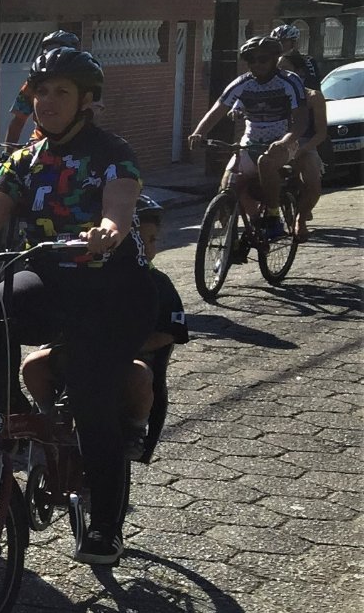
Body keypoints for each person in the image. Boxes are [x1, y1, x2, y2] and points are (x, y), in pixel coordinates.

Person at [0, 44, 153, 565]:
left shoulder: (112, 151)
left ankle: (106, 527)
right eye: (40, 91)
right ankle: (16, 417)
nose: (47, 101)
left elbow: (119, 205)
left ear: (86, 100)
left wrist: (107, 232)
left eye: (61, 92)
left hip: (109, 288)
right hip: (48, 276)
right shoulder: (25, 157)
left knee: (94, 404)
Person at [18, 195, 186, 462]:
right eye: (139, 240)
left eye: (152, 240)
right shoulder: (83, 276)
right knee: (33, 365)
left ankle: (135, 428)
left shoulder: (157, 282)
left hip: (125, 361)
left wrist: (123, 344)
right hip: (77, 354)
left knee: (140, 375)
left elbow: (169, 331)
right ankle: (49, 418)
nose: (146, 248)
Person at [189, 35, 301, 239]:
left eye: (262, 59)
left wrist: (284, 142)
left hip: (284, 142)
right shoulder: (242, 83)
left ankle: (274, 217)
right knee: (229, 182)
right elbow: (217, 110)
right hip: (250, 142)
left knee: (265, 162)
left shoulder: (289, 82)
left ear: (275, 59)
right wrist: (199, 132)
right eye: (251, 60)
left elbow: (301, 122)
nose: (256, 64)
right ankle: (254, 222)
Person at [273, 26, 326, 240]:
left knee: (312, 180)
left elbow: (318, 130)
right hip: (275, 138)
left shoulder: (308, 66)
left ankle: (300, 219)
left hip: (304, 137)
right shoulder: (267, 69)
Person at [4, 30, 81, 147]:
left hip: (76, 145)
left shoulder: (84, 83)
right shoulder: (33, 84)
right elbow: (18, 120)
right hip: (41, 144)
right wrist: (7, 153)